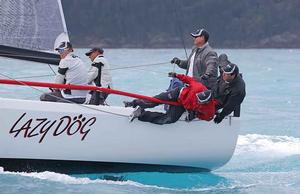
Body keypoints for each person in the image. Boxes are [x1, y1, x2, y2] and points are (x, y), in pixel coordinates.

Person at [124, 73, 218, 125]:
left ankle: (141, 113)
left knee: (168, 119)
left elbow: (207, 117)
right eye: (197, 98)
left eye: (199, 101)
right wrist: (176, 75)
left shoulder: (209, 110)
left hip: (182, 106)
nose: (197, 100)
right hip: (177, 94)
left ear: (206, 102)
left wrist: (195, 114)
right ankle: (134, 103)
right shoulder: (198, 87)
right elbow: (188, 79)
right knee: (155, 100)